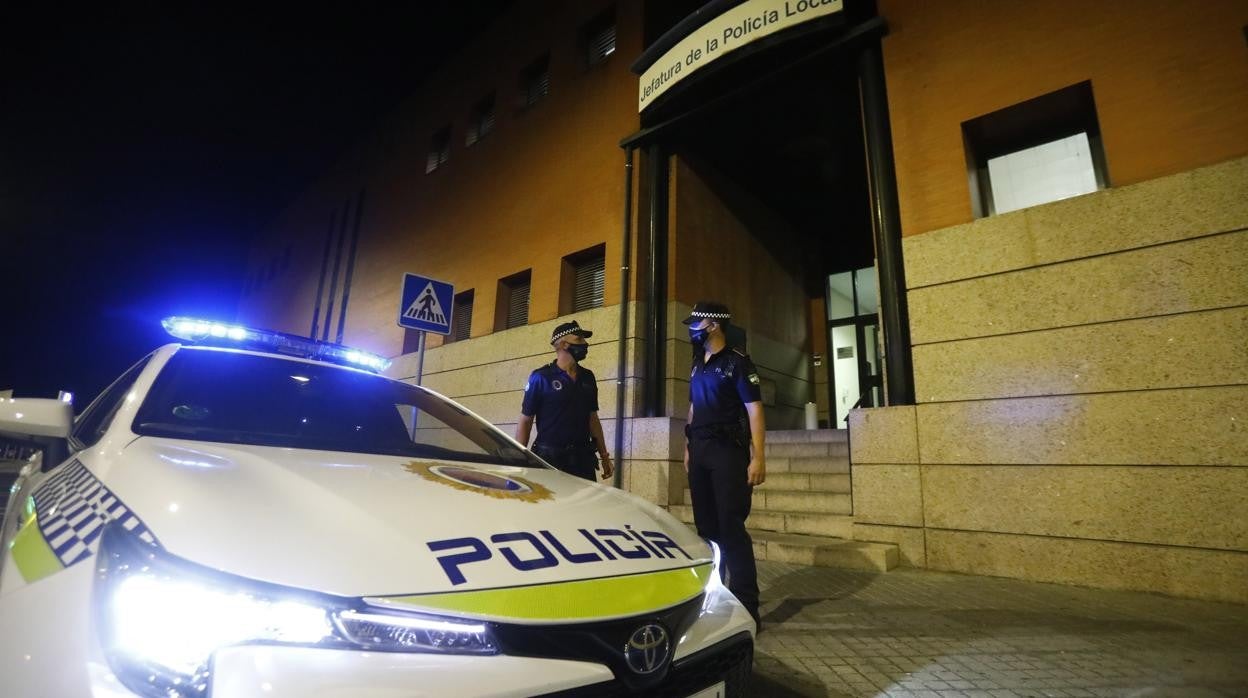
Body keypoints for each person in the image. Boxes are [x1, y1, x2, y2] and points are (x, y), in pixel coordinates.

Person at [683, 301, 766, 626]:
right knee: (706, 530)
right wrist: (687, 446)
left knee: (731, 528)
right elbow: (692, 408)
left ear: (713, 325)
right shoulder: (696, 363)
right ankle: (715, 598)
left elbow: (755, 410)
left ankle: (747, 606)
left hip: (727, 451)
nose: (692, 329)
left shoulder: (738, 363)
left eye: (696, 323)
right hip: (700, 449)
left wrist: (758, 456)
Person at [515, 320, 614, 482]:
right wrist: (518, 459)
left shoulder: (588, 377)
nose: (585, 344)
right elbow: (526, 420)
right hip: (550, 459)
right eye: (579, 340)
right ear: (563, 344)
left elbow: (592, 419)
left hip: (582, 460)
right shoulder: (541, 377)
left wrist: (604, 456)